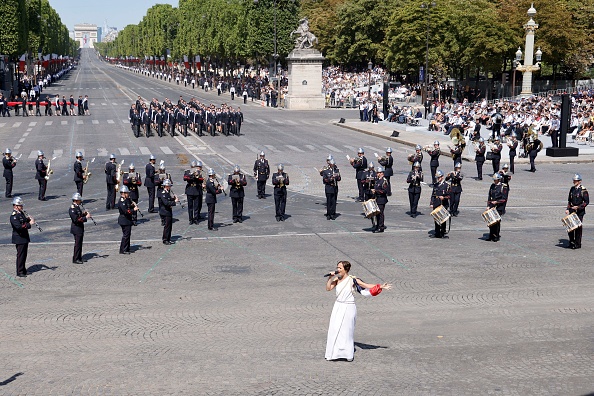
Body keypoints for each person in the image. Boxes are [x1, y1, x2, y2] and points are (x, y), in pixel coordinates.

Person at [325, 260, 391, 361]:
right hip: (338, 306)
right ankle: (334, 354)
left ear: (346, 269)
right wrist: (330, 277)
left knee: (346, 330)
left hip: (348, 307)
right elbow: (328, 288)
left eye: (340, 268)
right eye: (337, 267)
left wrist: (380, 286)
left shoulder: (352, 280)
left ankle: (347, 354)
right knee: (335, 329)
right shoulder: (337, 279)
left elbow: (366, 285)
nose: (338, 270)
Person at [10, 196, 34, 277]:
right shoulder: (13, 216)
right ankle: (19, 271)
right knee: (20, 255)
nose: (22, 207)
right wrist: (29, 224)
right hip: (19, 238)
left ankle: (23, 269)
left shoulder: (21, 213)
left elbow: (24, 220)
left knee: (24, 255)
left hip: (24, 237)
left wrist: (29, 219)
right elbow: (19, 227)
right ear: (15, 206)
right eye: (20, 206)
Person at [566, 174, 589, 249]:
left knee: (578, 227)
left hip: (579, 211)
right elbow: (569, 200)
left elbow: (586, 202)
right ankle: (571, 242)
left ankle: (578, 243)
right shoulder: (572, 189)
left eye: (575, 181)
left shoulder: (583, 190)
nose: (574, 182)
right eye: (574, 180)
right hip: (572, 210)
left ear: (579, 181)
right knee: (571, 227)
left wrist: (578, 207)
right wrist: (567, 208)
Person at [69, 192, 91, 264]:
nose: (80, 201)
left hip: (80, 228)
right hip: (76, 228)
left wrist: (84, 213)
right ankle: (75, 259)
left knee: (80, 243)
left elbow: (79, 215)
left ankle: (79, 257)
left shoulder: (77, 207)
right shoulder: (72, 209)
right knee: (77, 244)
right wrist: (85, 217)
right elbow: (76, 220)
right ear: (76, 200)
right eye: (79, 200)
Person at [486, 173, 508, 242]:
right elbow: (490, 196)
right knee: (491, 222)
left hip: (499, 207)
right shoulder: (492, 186)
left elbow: (504, 198)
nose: (494, 181)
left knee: (496, 222)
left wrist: (497, 202)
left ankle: (496, 235)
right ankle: (491, 235)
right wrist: (488, 205)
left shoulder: (503, 187)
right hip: (492, 206)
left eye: (496, 180)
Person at [430, 170, 451, 238]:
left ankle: (442, 232)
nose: (438, 179)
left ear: (442, 177)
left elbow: (449, 195)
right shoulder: (436, 185)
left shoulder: (446, 185)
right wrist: (431, 203)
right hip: (436, 203)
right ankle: (437, 232)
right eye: (437, 178)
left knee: (442, 219)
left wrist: (444, 197)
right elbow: (433, 195)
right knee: (436, 218)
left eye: (439, 177)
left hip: (443, 204)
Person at [183, 160, 204, 224]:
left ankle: (196, 218)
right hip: (190, 189)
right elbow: (185, 178)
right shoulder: (187, 171)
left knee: (196, 206)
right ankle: (190, 219)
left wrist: (196, 177)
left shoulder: (198, 172)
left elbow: (201, 180)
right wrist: (192, 176)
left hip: (196, 190)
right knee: (190, 206)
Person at [117, 186, 137, 254]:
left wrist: (132, 205)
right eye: (127, 193)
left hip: (127, 220)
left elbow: (128, 206)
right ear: (123, 193)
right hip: (124, 220)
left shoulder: (126, 199)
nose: (128, 194)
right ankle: (123, 249)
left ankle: (127, 248)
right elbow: (126, 211)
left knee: (128, 235)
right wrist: (133, 210)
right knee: (125, 235)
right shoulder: (121, 201)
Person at [159, 179, 179, 245]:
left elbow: (169, 199)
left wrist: (173, 198)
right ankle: (165, 239)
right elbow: (166, 203)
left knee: (169, 226)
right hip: (165, 211)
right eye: (169, 186)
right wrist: (174, 202)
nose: (170, 187)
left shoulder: (167, 192)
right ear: (166, 186)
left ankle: (168, 238)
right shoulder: (163, 193)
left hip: (168, 211)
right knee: (167, 226)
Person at [372, 166, 389, 233]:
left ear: (382, 173)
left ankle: (381, 227)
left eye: (379, 173)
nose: (377, 174)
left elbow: (385, 191)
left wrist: (376, 191)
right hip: (377, 199)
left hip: (381, 199)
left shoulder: (384, 181)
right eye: (377, 173)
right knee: (377, 214)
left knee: (380, 214)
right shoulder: (378, 180)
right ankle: (378, 225)